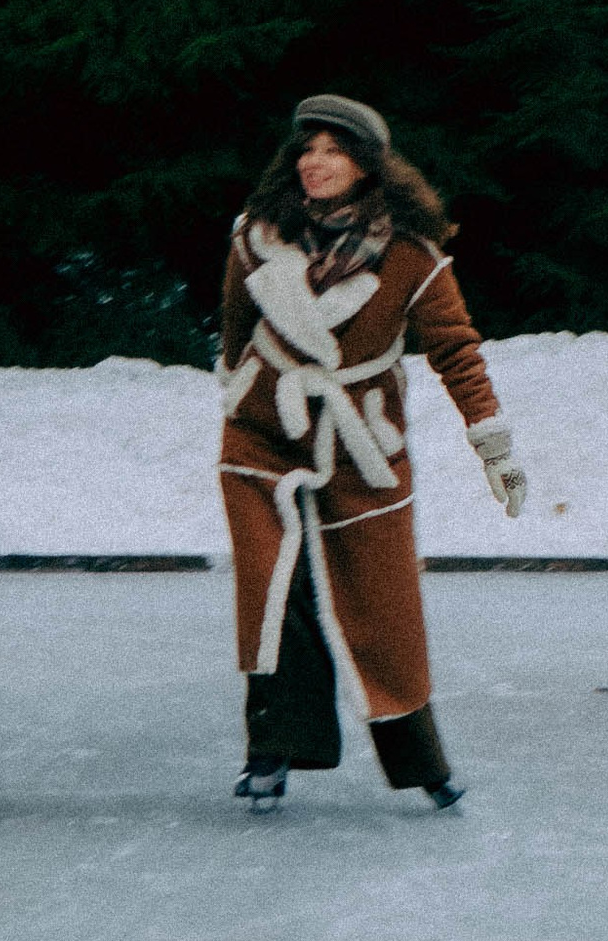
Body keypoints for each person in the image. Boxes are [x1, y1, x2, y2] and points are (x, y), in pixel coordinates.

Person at [218, 92, 525, 812]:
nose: (315, 162)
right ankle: (272, 754)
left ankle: (423, 764)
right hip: (265, 435)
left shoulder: (412, 258)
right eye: (308, 148)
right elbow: (234, 327)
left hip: (365, 445)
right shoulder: (255, 237)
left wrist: (495, 448)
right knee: (271, 596)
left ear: (366, 166)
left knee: (385, 607)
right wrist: (242, 395)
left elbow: (457, 352)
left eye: (333, 150)